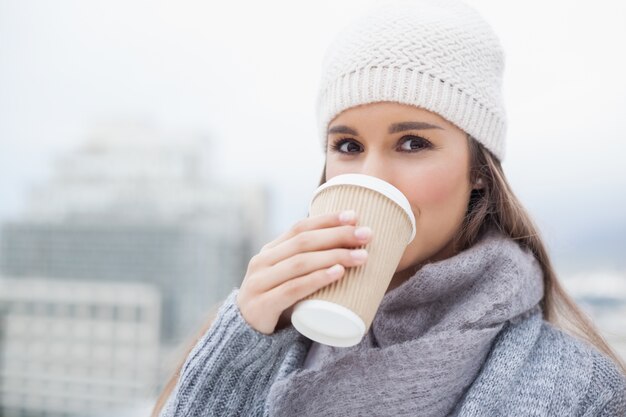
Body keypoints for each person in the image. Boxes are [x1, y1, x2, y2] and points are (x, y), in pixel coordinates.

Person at [153, 0, 626, 416]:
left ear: (479, 169)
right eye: (348, 144)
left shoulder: (579, 392)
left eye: (413, 142)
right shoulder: (260, 337)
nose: (370, 177)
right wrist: (241, 346)